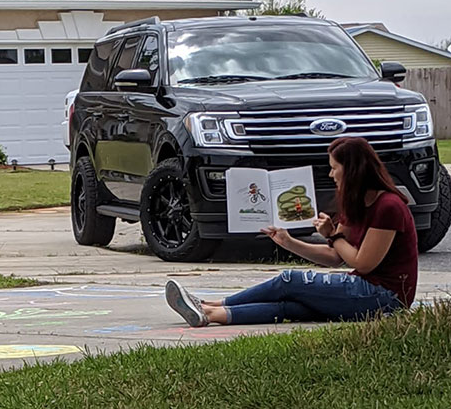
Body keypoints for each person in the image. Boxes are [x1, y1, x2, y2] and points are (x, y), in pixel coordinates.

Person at [165, 137, 418, 327]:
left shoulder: (389, 206)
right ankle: (209, 314)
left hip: (386, 298)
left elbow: (363, 263)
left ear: (352, 170)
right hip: (366, 289)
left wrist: (333, 235)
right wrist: (289, 242)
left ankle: (215, 303)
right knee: (291, 307)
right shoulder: (355, 204)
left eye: (334, 167)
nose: (331, 174)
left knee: (289, 280)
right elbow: (334, 257)